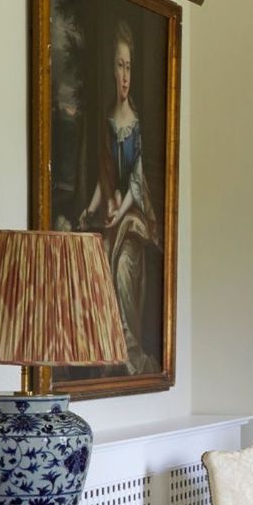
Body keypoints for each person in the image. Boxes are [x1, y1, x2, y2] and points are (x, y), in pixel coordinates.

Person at [66, 22, 164, 371]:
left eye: (128, 67)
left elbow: (136, 180)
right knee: (99, 274)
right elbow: (102, 178)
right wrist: (91, 209)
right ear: (110, 70)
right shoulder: (107, 121)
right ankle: (108, 353)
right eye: (119, 66)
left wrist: (120, 213)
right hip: (111, 211)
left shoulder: (136, 122)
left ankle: (131, 351)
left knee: (123, 268)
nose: (124, 76)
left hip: (132, 214)